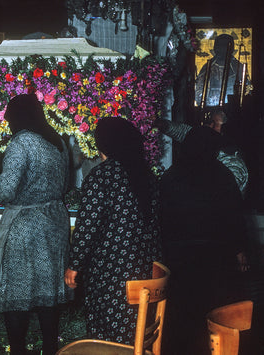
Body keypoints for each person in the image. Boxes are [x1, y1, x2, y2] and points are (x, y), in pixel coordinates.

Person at [64, 117, 162, 344]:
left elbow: (87, 227)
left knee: (107, 340)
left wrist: (74, 265)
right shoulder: (148, 176)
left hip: (112, 278)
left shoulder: (101, 176)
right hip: (146, 274)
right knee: (135, 335)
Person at [0, 93, 71, 355]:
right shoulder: (57, 141)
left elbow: (7, 192)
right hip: (55, 222)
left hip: (25, 228)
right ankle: (49, 349)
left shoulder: (21, 142)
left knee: (16, 294)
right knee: (48, 294)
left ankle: (19, 351)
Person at [160, 126, 248, 355]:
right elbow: (235, 218)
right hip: (216, 260)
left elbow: (160, 218)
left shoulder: (171, 176)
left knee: (180, 319)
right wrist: (239, 251)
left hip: (178, 260)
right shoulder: (223, 176)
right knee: (213, 317)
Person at [155, 111, 249, 194]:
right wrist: (161, 124)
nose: (209, 126)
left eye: (214, 124)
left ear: (226, 129)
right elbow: (185, 132)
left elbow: (227, 195)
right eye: (209, 122)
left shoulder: (233, 162)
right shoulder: (207, 140)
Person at [194, 34, 248, 107]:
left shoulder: (238, 67)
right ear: (215, 48)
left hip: (232, 108)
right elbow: (199, 89)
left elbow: (247, 88)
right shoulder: (208, 67)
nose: (222, 49)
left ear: (231, 49)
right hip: (211, 106)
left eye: (225, 46)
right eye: (220, 46)